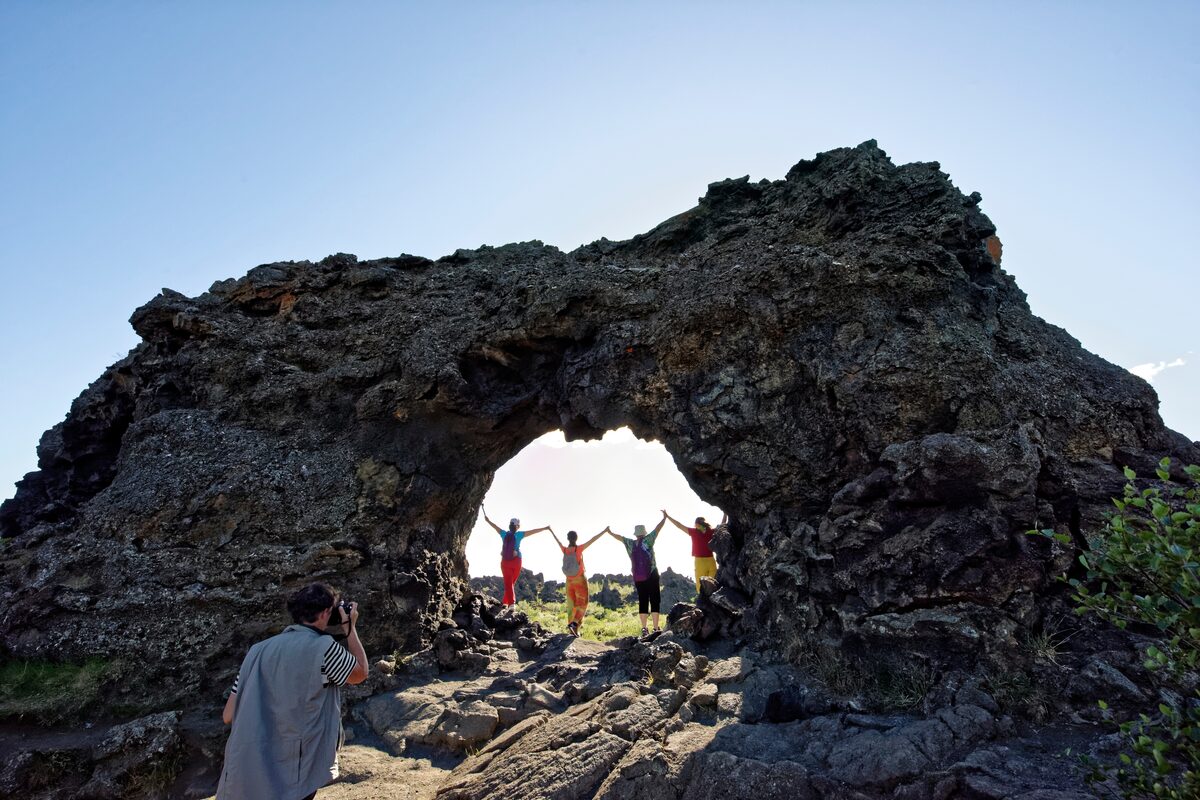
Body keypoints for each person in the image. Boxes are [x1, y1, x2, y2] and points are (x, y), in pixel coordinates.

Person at [217, 583, 369, 800]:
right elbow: (360, 673)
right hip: (295, 768)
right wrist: (350, 628)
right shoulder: (324, 648)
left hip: (248, 766)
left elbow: (228, 715)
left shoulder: (256, 652)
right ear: (326, 612)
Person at [608, 512, 667, 636]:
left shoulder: (630, 543)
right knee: (655, 599)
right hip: (652, 573)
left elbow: (619, 537)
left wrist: (610, 532)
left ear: (636, 534)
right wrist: (664, 518)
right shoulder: (648, 539)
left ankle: (644, 629)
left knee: (643, 599)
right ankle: (656, 628)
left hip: (638, 576)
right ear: (644, 533)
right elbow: (658, 528)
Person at [481, 506, 550, 607]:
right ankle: (511, 604)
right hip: (517, 561)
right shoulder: (520, 535)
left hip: (505, 561)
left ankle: (505, 603)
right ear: (517, 526)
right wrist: (544, 528)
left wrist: (488, 520)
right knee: (511, 584)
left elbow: (495, 526)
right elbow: (533, 531)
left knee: (509, 584)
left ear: (509, 525)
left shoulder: (504, 534)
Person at [550, 527, 607, 636]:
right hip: (580, 579)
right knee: (583, 603)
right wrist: (604, 531)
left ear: (568, 538)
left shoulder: (565, 550)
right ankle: (574, 624)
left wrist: (550, 530)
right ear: (577, 538)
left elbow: (558, 541)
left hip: (569, 581)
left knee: (572, 605)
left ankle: (574, 630)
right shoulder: (579, 549)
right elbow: (593, 539)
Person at [663, 509, 728, 593]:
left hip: (703, 561)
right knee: (708, 584)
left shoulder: (701, 532)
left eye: (696, 524)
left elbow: (679, 525)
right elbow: (722, 524)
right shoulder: (704, 532)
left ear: (698, 524)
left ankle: (707, 602)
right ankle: (707, 601)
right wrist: (725, 513)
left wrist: (725, 513)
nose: (695, 525)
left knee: (706, 584)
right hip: (707, 560)